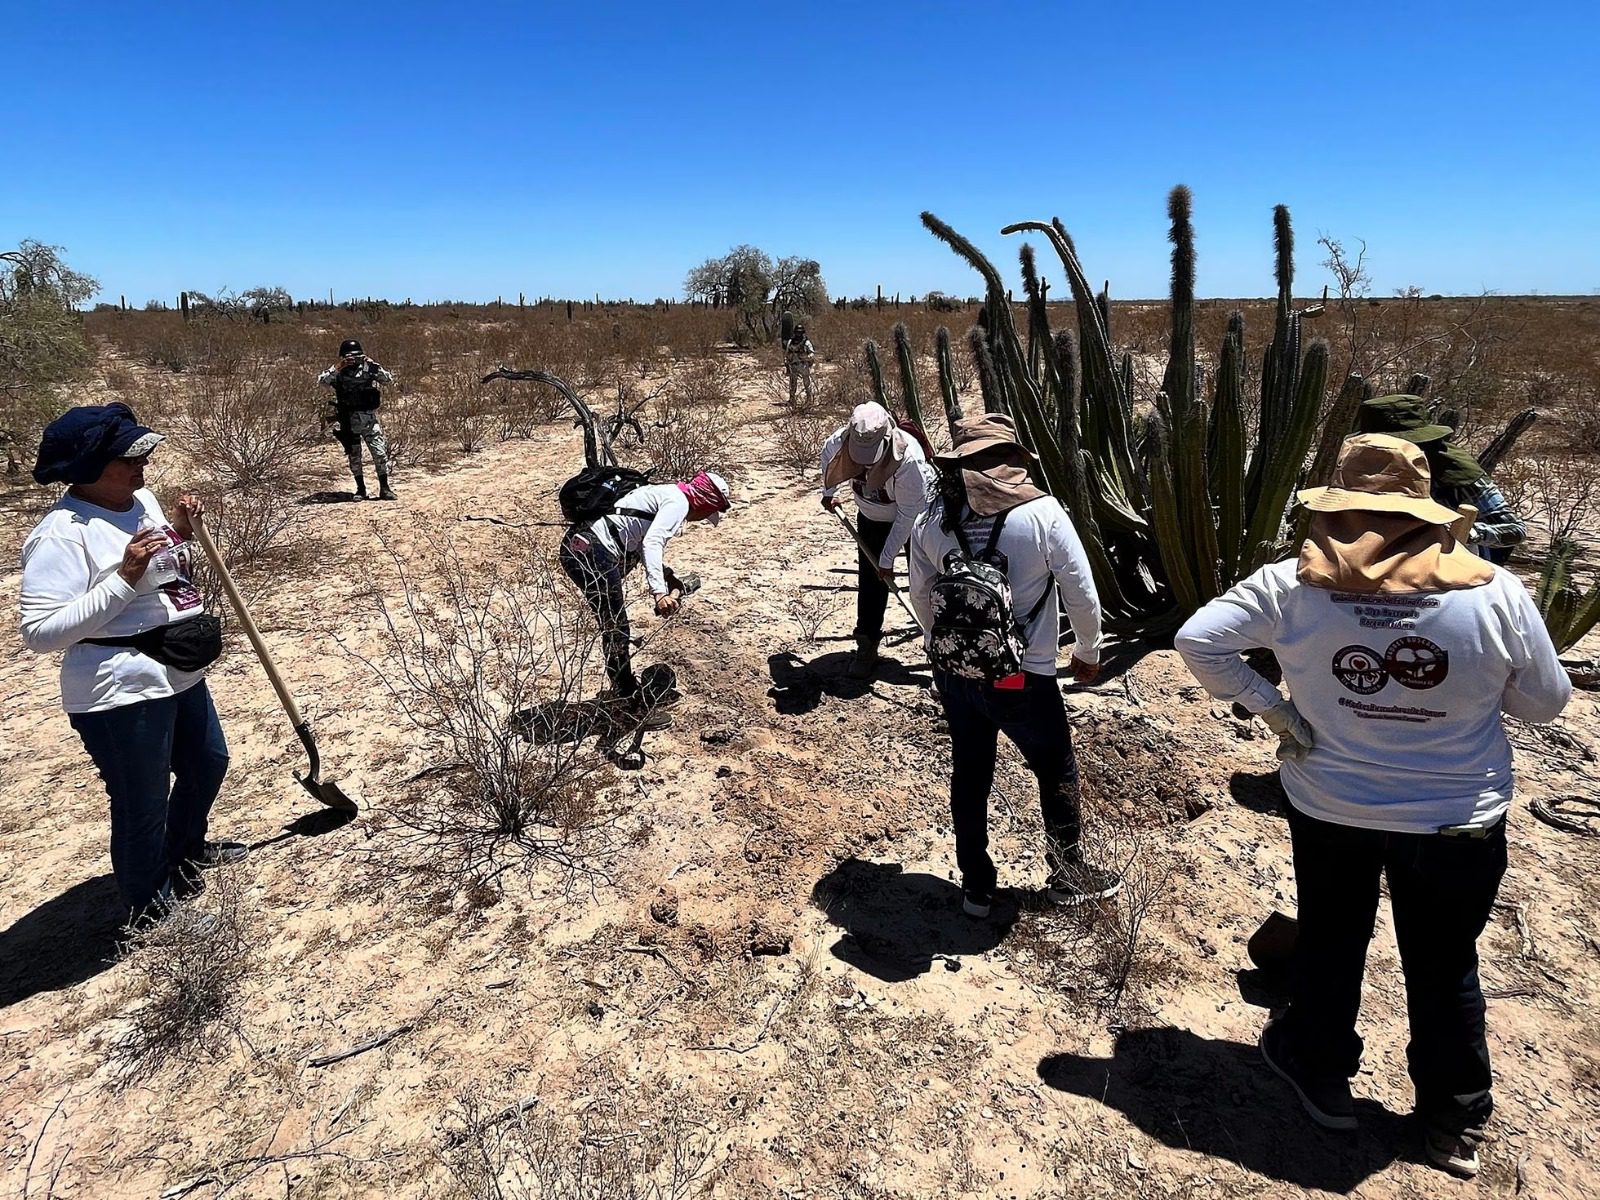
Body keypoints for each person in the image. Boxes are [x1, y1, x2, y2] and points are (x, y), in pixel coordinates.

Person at [1174, 433, 1570, 1178]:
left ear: (1337, 506)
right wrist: (1472, 698)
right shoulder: (1494, 591)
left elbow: (1197, 641)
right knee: (1445, 962)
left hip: (1332, 804)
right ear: (1427, 513)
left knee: (1331, 937)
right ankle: (1452, 1122)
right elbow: (1548, 705)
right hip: (1458, 815)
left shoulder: (1288, 586)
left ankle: (1321, 1074)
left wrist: (1275, 709)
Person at [19, 404, 243, 926]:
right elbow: (40, 633)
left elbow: (160, 569)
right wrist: (121, 580)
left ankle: (186, 850)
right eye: (128, 458)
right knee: (141, 801)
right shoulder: (61, 534)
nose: (143, 465)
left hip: (175, 665)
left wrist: (183, 534)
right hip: (117, 685)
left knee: (207, 762)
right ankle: (150, 904)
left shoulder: (140, 500)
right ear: (91, 467)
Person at [908, 412, 1118, 917]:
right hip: (1024, 674)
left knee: (971, 770)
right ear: (1012, 461)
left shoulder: (930, 518)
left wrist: (952, 651)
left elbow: (921, 597)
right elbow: (1081, 593)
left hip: (954, 673)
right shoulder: (1043, 514)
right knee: (1054, 768)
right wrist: (1087, 652)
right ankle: (1068, 875)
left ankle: (976, 886)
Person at [559, 469, 730, 729]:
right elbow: (652, 542)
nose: (703, 519)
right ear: (705, 503)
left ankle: (624, 691)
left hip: (581, 546)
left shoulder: (666, 493)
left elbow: (637, 537)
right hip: (592, 552)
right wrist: (660, 593)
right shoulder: (679, 503)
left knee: (614, 626)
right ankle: (629, 705)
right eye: (707, 513)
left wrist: (669, 577)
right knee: (616, 629)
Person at [820, 401, 934, 678]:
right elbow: (828, 456)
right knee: (870, 583)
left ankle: (939, 645)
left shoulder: (910, 460)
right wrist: (828, 491)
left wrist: (886, 559)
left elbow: (908, 514)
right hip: (871, 518)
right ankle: (867, 643)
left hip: (916, 521)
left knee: (925, 582)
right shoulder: (842, 439)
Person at [1356, 394, 1526, 562]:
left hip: (1451, 562)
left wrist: (1466, 532)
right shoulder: (1359, 467)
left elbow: (1515, 530)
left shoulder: (1455, 472)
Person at [318, 338, 396, 501]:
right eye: (349, 356)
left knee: (380, 454)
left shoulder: (368, 369)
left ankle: (385, 488)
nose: (353, 359)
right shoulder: (338, 373)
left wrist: (373, 364)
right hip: (349, 420)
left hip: (369, 419)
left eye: (356, 356)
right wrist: (338, 366)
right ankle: (360, 489)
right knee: (355, 457)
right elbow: (322, 382)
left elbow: (388, 380)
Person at [783, 322, 816, 406]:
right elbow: (787, 353)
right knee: (793, 383)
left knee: (806, 383)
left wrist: (806, 358)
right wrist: (786, 362)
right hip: (793, 365)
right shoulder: (791, 342)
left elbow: (812, 353)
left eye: (800, 332)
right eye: (797, 332)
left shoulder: (806, 342)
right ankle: (792, 400)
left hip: (803, 364)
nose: (798, 334)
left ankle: (809, 399)